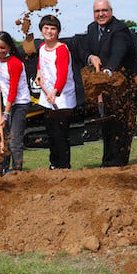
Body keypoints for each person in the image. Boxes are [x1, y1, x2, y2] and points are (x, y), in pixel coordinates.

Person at [80, 0, 137, 167]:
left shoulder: (120, 29)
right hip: (107, 90)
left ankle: (119, 163)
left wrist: (106, 73)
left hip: (125, 87)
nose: (100, 14)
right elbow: (85, 48)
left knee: (122, 126)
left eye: (104, 11)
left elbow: (118, 53)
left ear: (111, 12)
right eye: (97, 11)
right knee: (107, 125)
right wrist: (90, 57)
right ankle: (108, 162)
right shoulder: (92, 29)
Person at [37, 15, 77, 169]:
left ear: (58, 32)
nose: (49, 31)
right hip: (47, 97)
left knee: (60, 134)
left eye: (53, 28)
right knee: (51, 133)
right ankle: (54, 164)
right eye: (46, 28)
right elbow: (41, 64)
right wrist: (39, 73)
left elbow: (63, 73)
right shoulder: (42, 47)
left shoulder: (61, 49)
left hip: (62, 98)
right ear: (41, 30)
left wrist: (55, 92)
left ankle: (64, 165)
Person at [0, 31, 31, 173]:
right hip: (6, 102)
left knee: (14, 138)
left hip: (19, 103)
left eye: (3, 48)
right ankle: (3, 168)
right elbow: (3, 79)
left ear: (9, 47)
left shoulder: (15, 63)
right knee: (5, 137)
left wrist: (5, 115)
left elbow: (13, 91)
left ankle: (17, 170)